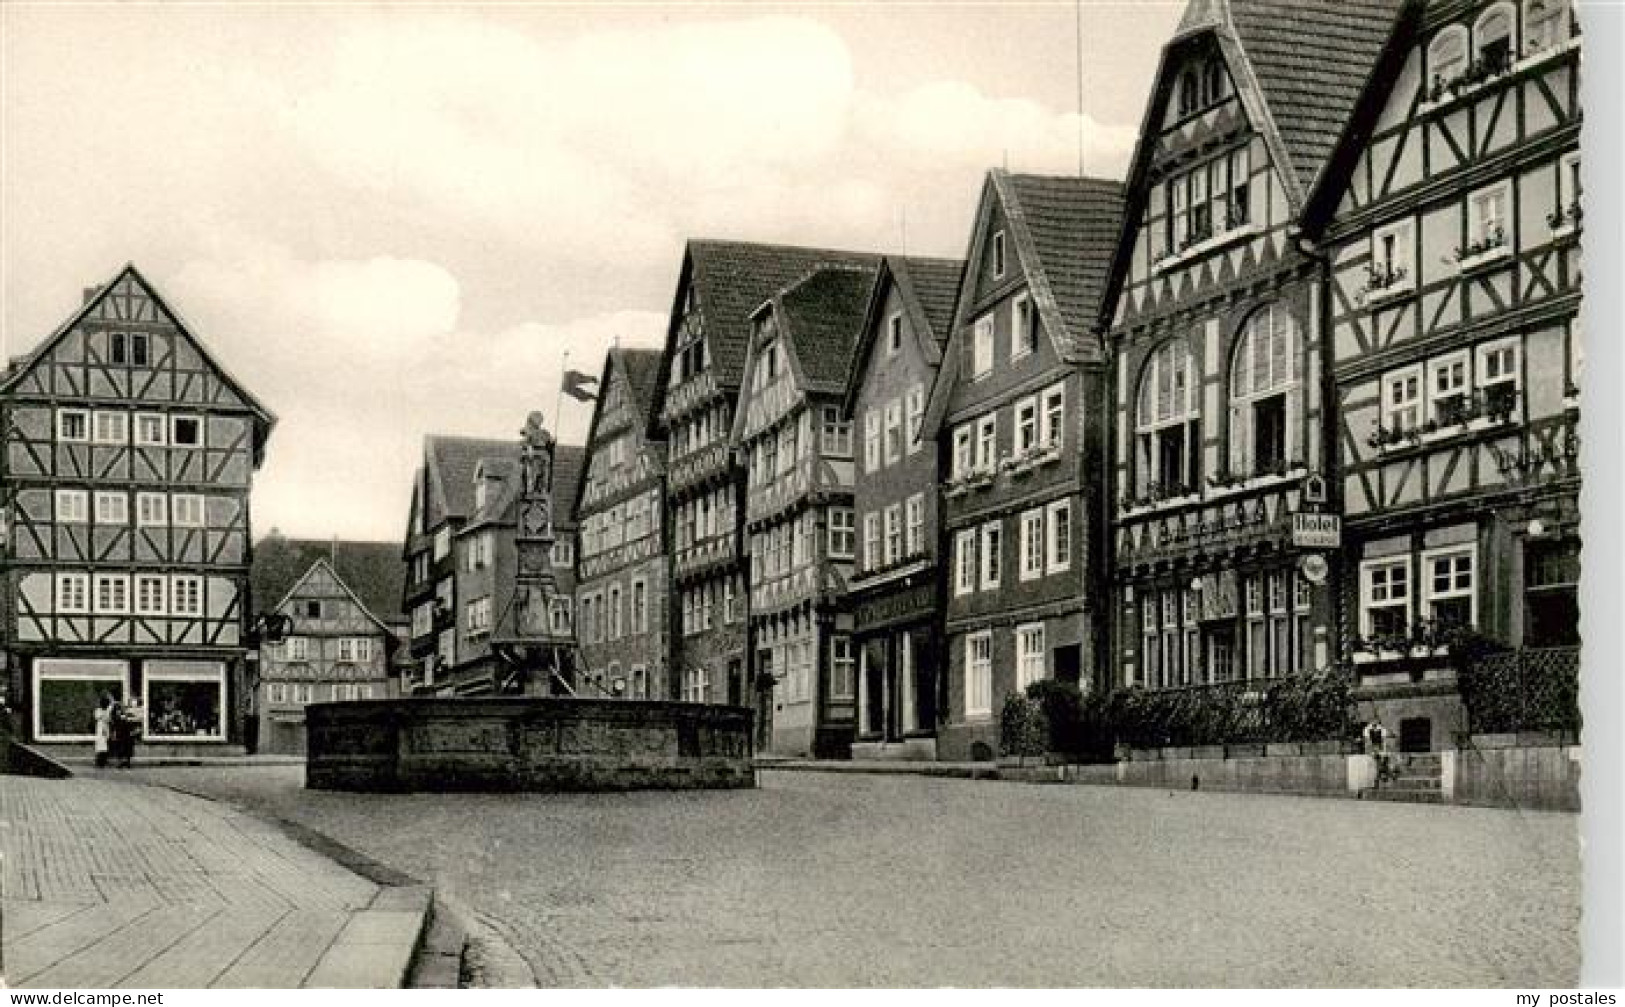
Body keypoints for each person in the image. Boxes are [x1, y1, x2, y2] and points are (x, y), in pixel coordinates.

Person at [93, 692, 113, 768]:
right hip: (101, 728)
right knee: (101, 745)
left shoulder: (106, 710)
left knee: (104, 745)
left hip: (104, 728)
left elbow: (111, 705)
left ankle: (103, 761)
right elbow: (99, 717)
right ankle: (99, 762)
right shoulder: (99, 711)